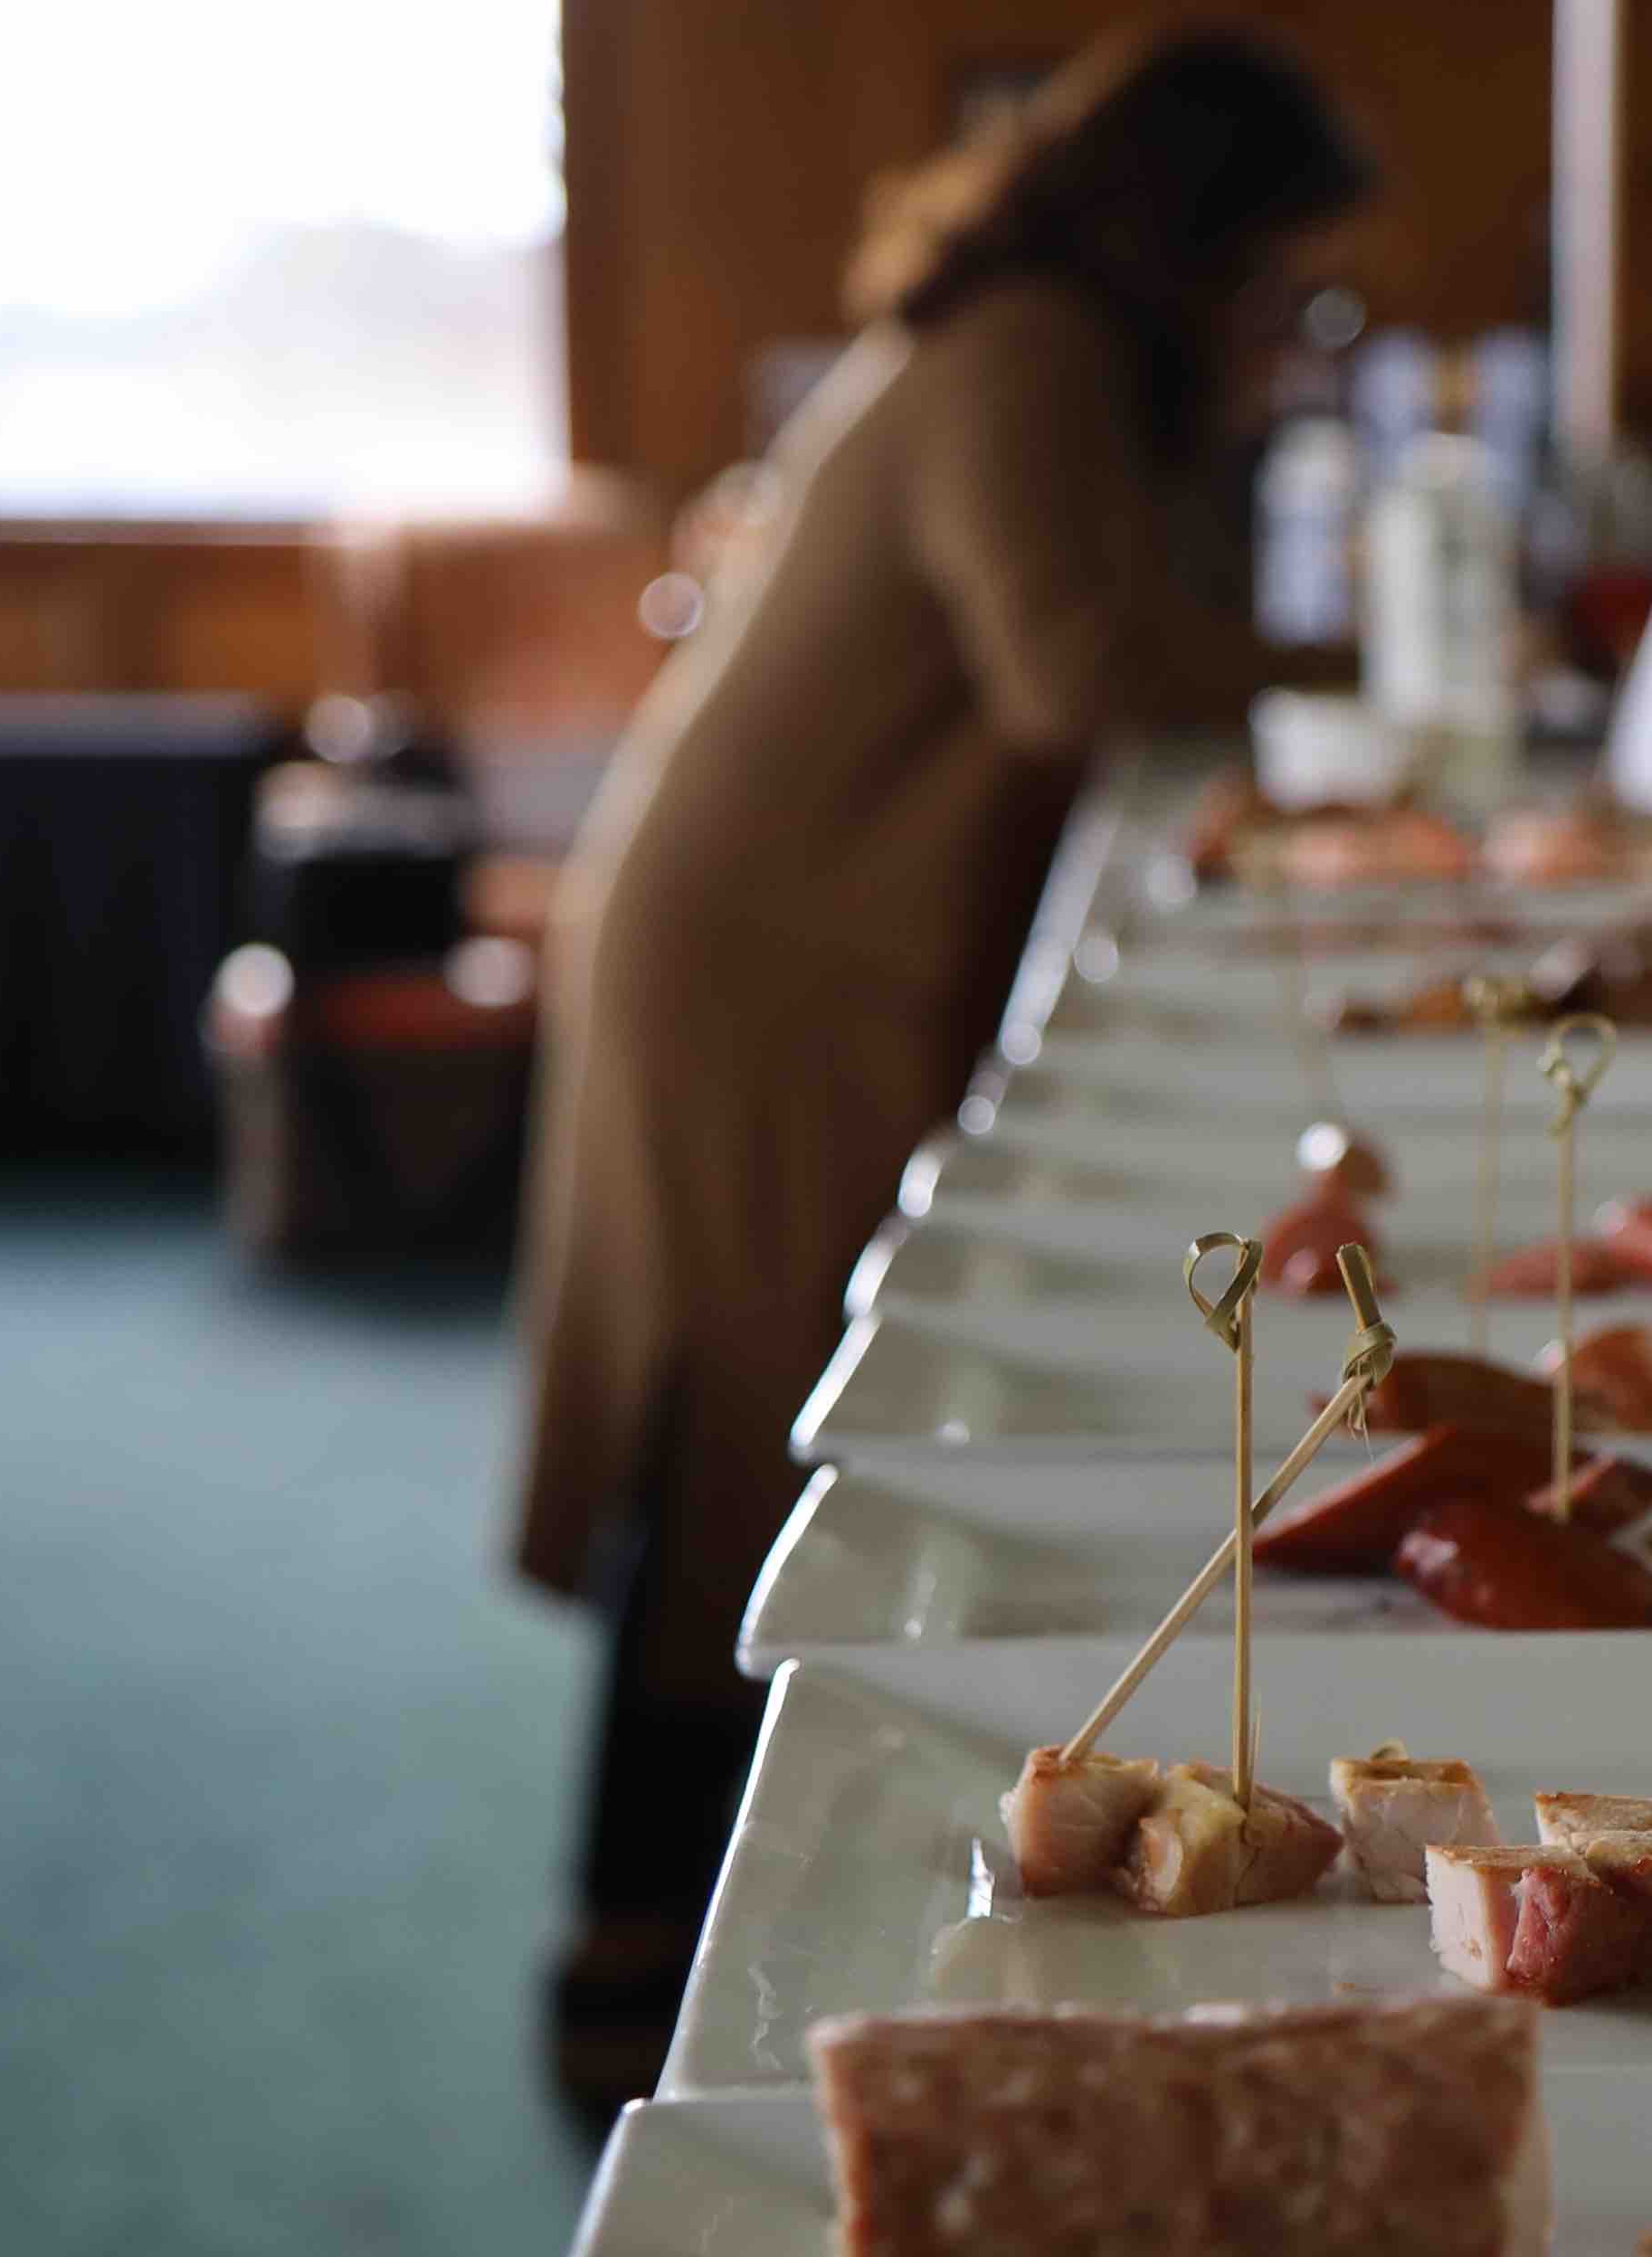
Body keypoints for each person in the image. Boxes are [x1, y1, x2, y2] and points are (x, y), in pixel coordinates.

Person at [510, 27, 1374, 2116]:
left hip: (819, 914)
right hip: (768, 937)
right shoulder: (1028, 347)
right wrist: (1353, 669)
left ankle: (662, 1933)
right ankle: (634, 1968)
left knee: (749, 1418)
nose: (1285, 316)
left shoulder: (1055, 343)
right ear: (1199, 226)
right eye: (1277, 272)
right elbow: (1068, 661)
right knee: (740, 1427)